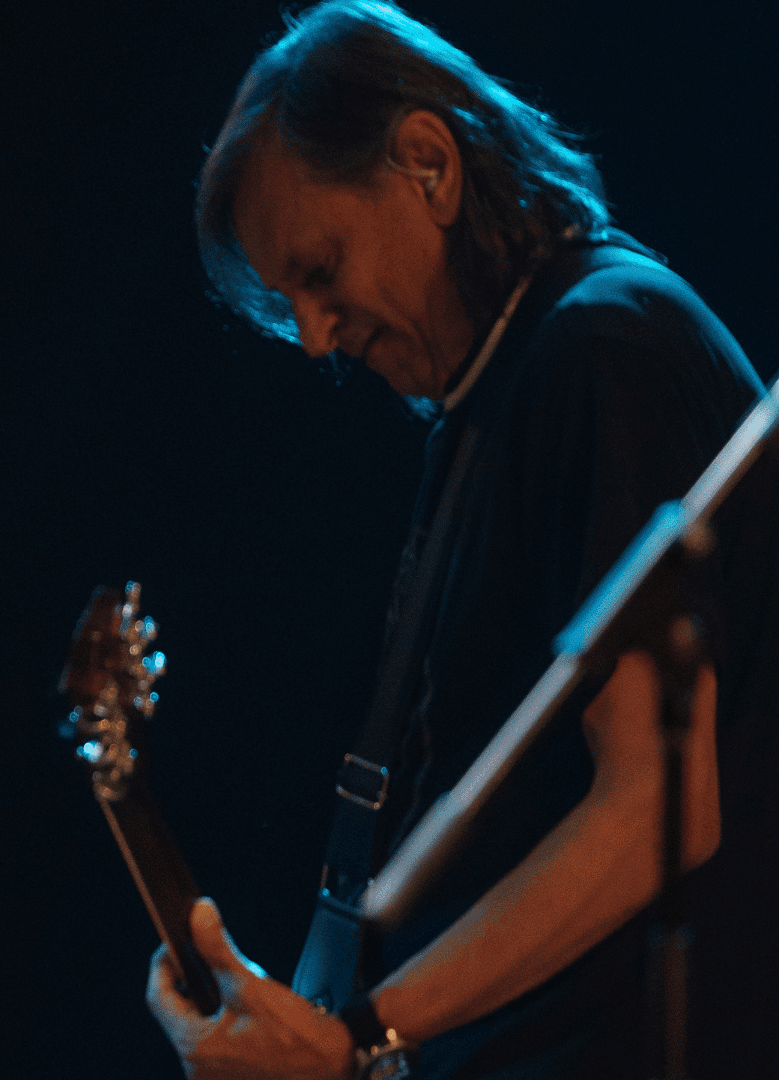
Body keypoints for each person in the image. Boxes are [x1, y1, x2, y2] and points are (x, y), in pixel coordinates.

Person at [147, 3, 778, 1078]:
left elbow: (656, 807)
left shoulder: (602, 347)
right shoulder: (498, 394)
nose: (312, 338)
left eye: (320, 268)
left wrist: (359, 1035)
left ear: (428, 163)